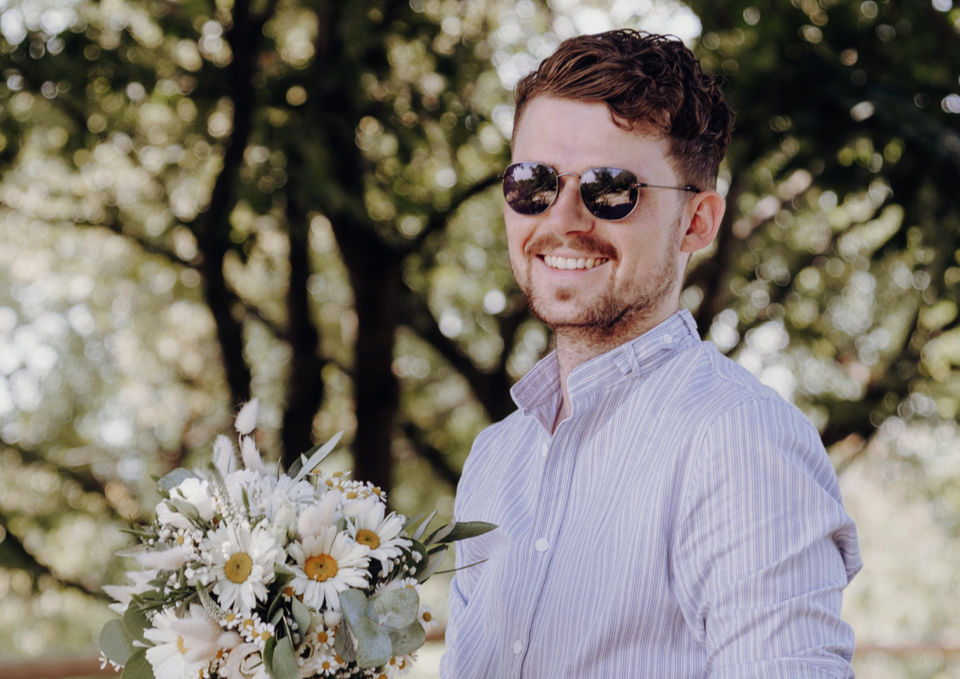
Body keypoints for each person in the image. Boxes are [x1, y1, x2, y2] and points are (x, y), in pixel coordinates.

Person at [439, 29, 861, 678]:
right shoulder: (494, 460)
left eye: (611, 189)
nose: (562, 219)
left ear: (697, 222)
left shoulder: (739, 443)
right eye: (534, 182)